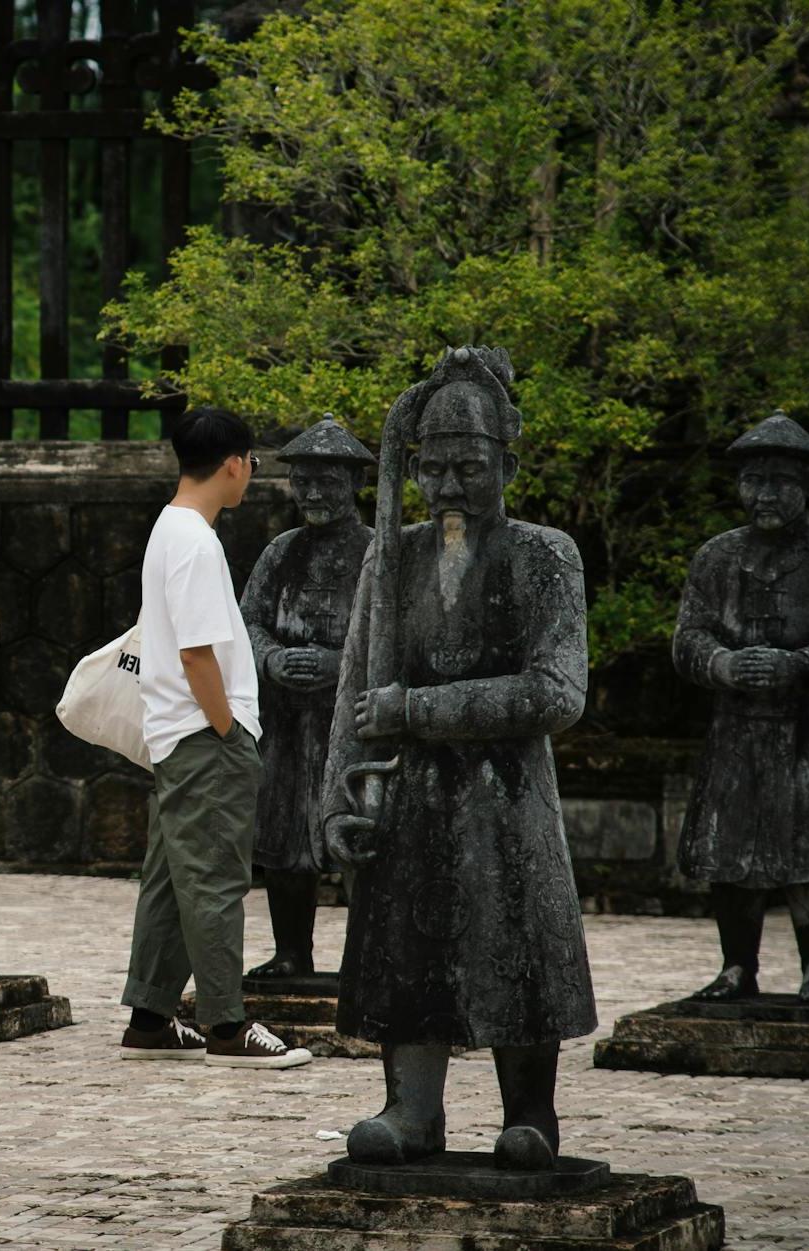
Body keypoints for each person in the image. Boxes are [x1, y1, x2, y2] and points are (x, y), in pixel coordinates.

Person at [320, 346, 594, 1170]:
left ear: (505, 460)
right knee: (408, 944)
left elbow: (557, 691)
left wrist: (422, 711)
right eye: (432, 469)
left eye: (468, 468)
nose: (447, 487)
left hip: (508, 795)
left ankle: (532, 1113)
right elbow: (354, 685)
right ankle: (411, 1108)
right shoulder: (391, 556)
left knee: (519, 941)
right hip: (408, 798)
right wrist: (336, 797)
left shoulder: (547, 557)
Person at [119, 408, 312, 1067]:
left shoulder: (168, 529)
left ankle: (149, 1017)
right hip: (206, 736)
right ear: (234, 461)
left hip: (181, 734)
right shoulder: (196, 542)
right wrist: (228, 728)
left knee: (173, 878)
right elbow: (200, 654)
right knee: (214, 879)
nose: (252, 473)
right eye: (252, 461)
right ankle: (227, 1024)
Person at [673, 411, 809, 1003]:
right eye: (752, 481)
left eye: (778, 482)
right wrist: (723, 664)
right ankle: (737, 965)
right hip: (736, 728)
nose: (762, 494)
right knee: (727, 847)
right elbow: (688, 638)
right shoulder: (717, 558)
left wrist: (803, 664)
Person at [239, 418, 375, 979]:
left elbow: (398, 641)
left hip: (354, 725)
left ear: (354, 485)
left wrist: (338, 666)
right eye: (304, 482)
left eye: (327, 482)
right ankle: (292, 951)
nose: (314, 493)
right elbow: (245, 622)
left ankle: (369, 957)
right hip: (287, 722)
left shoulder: (380, 554)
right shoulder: (280, 552)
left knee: (359, 836)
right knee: (286, 839)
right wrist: (271, 658)